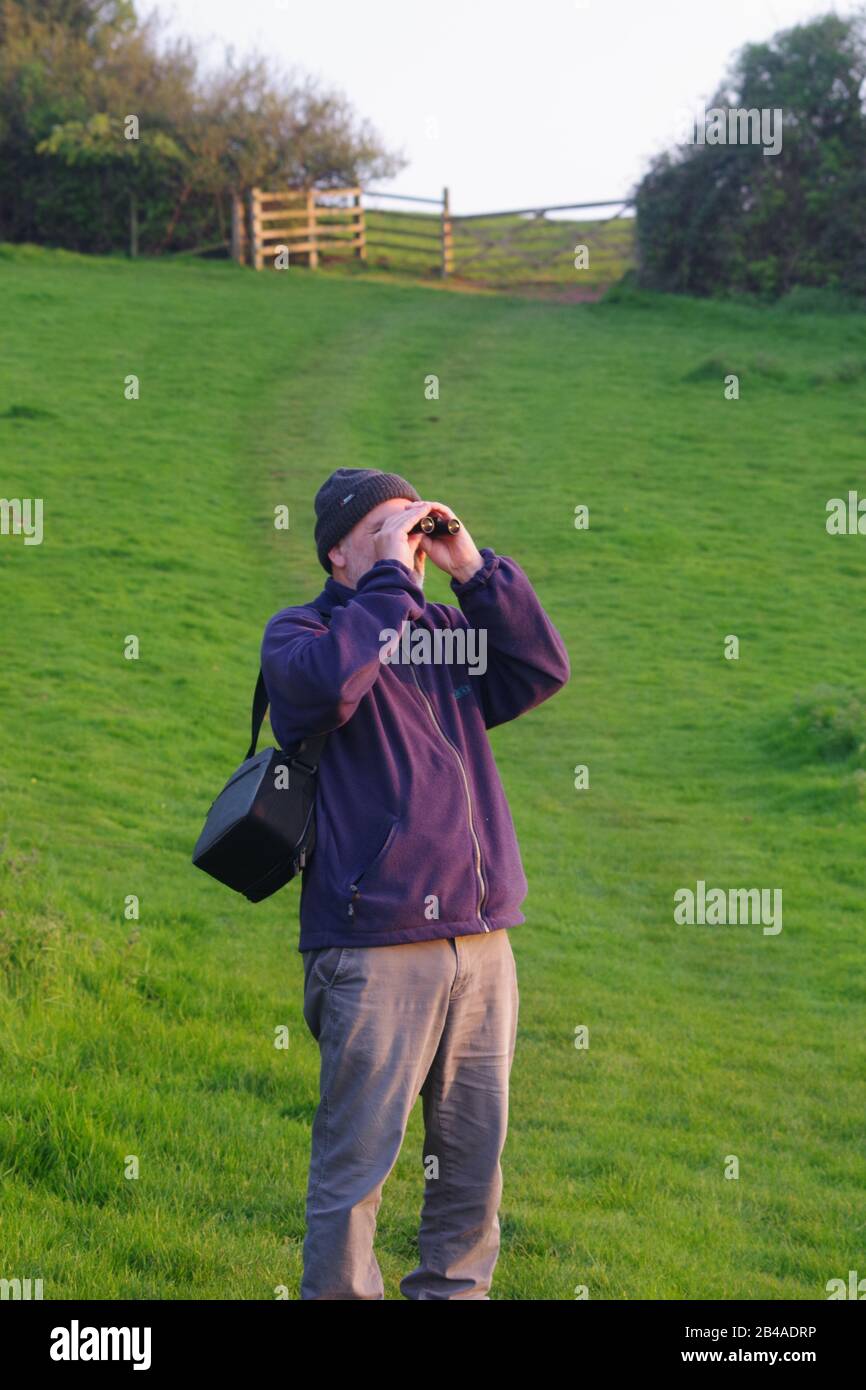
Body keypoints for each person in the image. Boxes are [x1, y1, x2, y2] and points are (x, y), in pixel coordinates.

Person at [261, 467, 569, 1299]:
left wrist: (474, 570)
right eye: (389, 533)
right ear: (337, 555)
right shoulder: (302, 635)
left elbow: (540, 668)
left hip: (480, 939)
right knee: (355, 1175)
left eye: (418, 529)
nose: (412, 547)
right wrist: (392, 586)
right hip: (372, 947)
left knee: (471, 1170)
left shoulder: (439, 633)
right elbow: (329, 689)